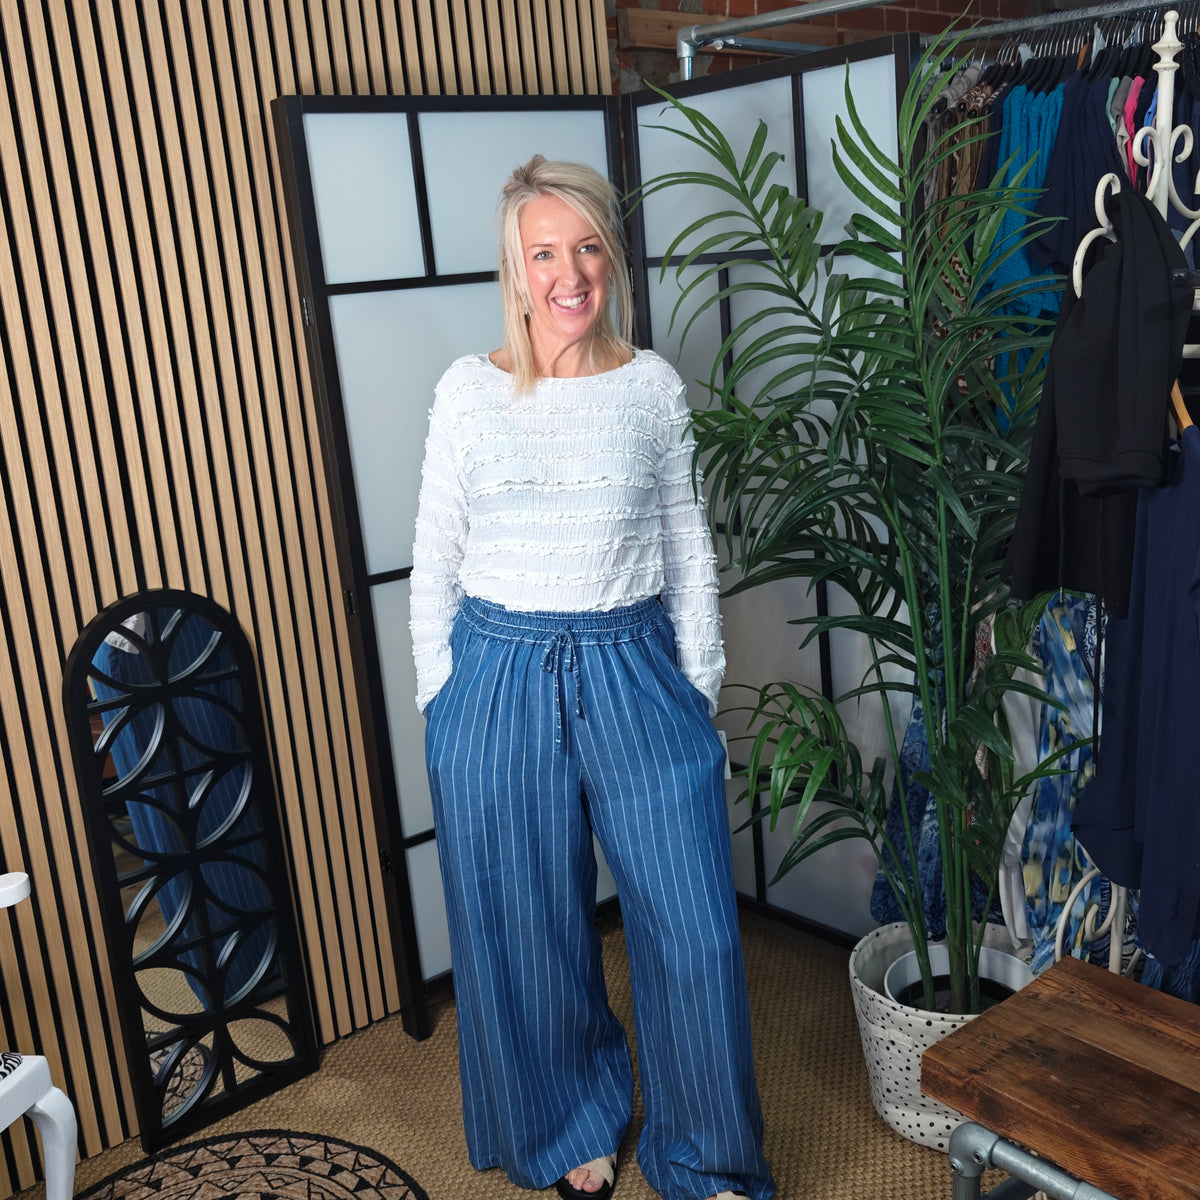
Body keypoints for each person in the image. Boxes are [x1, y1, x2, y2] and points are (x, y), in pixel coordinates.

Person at [409, 155, 774, 1200]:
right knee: (529, 924)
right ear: (515, 272)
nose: (570, 273)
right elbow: (434, 554)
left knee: (693, 929)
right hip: (496, 673)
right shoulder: (467, 394)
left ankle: (704, 1156)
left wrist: (694, 686)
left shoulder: (651, 388)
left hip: (633, 668)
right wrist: (444, 696)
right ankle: (571, 1122)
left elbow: (688, 549)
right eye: (544, 252)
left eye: (587, 247)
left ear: (610, 256)